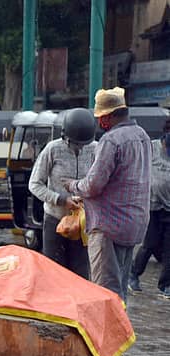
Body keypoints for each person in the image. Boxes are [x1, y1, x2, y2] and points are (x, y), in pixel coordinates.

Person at [64, 87, 151, 305]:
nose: (99, 122)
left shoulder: (111, 141)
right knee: (120, 290)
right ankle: (121, 325)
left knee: (105, 293)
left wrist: (73, 185)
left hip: (109, 226)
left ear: (108, 117)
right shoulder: (142, 136)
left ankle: (108, 328)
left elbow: (93, 185)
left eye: (100, 117)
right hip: (134, 224)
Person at [28, 108, 96, 278]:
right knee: (54, 272)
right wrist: (60, 199)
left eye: (83, 144)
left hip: (83, 222)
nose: (80, 147)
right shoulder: (53, 149)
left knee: (80, 273)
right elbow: (34, 184)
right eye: (76, 143)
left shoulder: (96, 149)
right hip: (55, 219)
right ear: (65, 135)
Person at [129, 117, 170, 298]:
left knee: (169, 248)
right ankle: (134, 274)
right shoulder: (152, 148)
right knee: (150, 244)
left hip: (169, 207)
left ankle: (166, 285)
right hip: (152, 206)